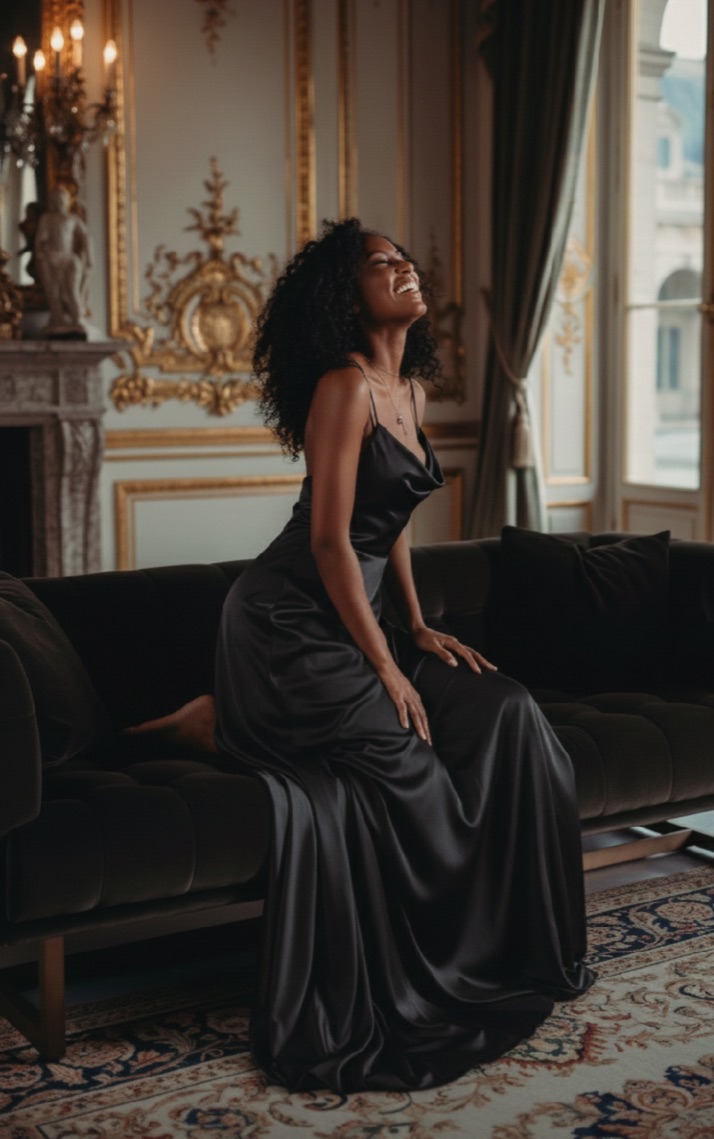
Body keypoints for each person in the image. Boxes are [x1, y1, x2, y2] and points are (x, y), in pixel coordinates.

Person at [131, 218, 594, 1093]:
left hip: (363, 621)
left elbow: (397, 527)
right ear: (351, 295)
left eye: (406, 258)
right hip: (285, 623)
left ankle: (507, 948)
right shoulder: (342, 387)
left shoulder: (410, 390)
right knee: (411, 768)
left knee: (508, 714)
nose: (406, 267)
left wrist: (417, 629)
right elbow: (334, 542)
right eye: (384, 263)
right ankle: (221, 726)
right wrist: (384, 664)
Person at [34, 187, 92, 338]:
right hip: (50, 258)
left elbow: (85, 238)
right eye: (55, 199)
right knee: (53, 292)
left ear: (67, 201)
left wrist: (88, 258)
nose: (59, 202)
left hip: (68, 259)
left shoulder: (73, 219)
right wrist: (42, 249)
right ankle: (57, 318)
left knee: (72, 290)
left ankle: (76, 318)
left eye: (62, 199)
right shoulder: (46, 218)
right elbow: (41, 239)